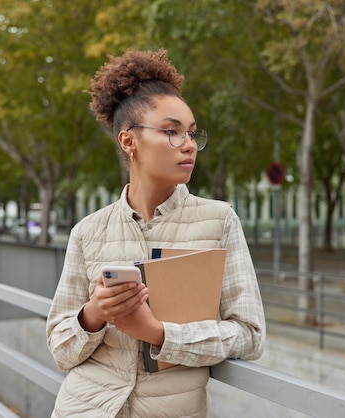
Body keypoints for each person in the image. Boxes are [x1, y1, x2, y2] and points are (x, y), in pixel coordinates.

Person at [46, 49, 266, 418]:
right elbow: (60, 348)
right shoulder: (88, 232)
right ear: (129, 141)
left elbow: (249, 335)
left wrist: (159, 333)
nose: (190, 144)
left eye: (193, 133)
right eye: (172, 131)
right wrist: (94, 313)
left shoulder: (220, 220)